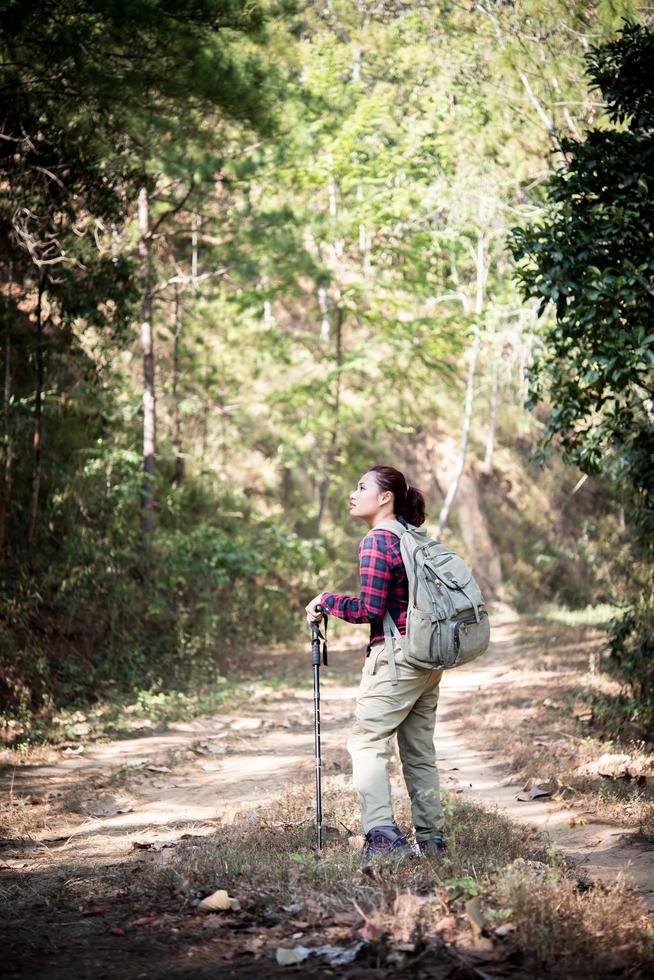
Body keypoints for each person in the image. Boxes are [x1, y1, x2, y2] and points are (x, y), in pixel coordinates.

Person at [305, 464, 446, 861]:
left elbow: (370, 608)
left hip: (396, 657)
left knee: (366, 742)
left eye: (361, 486)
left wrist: (325, 601)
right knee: (418, 751)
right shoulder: (412, 537)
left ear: (385, 497)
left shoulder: (377, 540)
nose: (353, 493)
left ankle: (383, 837)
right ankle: (432, 839)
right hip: (427, 656)